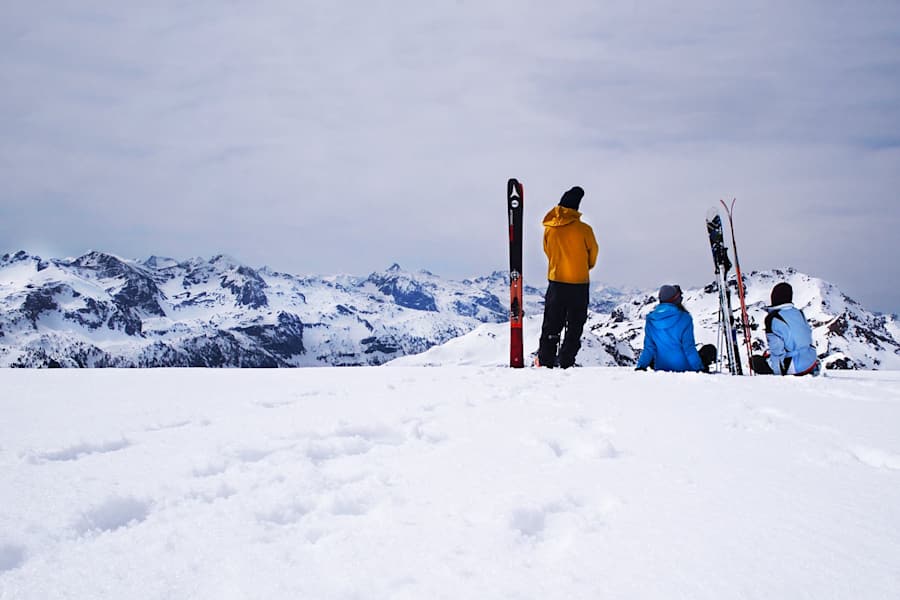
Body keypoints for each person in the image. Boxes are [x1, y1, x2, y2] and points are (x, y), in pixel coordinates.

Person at [536, 186, 599, 368]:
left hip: (556, 281)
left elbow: (548, 251)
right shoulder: (584, 229)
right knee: (575, 326)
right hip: (579, 283)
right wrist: (583, 267)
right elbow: (593, 254)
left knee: (552, 324)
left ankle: (546, 360)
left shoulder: (549, 229)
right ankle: (566, 361)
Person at [635, 284, 716, 372]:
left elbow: (649, 348)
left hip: (661, 367)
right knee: (709, 349)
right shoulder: (685, 317)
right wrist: (699, 368)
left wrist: (641, 366)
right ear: (676, 299)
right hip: (685, 367)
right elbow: (688, 348)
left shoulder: (651, 319)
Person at [751, 282, 819, 376]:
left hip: (796, 366)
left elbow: (777, 351)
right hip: (811, 360)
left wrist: (779, 376)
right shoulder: (799, 313)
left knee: (754, 361)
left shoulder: (773, 318)